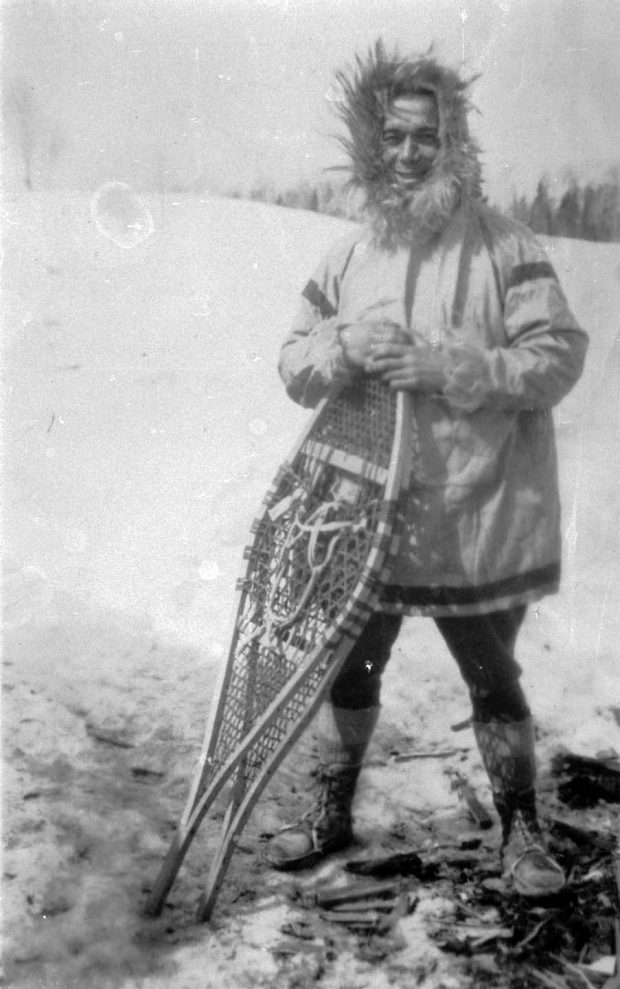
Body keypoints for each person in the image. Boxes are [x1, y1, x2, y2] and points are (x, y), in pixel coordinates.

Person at [267, 41, 588, 897]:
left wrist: (452, 364)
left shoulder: (503, 246)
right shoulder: (346, 256)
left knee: (493, 675)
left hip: (476, 511)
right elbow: (292, 361)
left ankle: (522, 830)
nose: (410, 154)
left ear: (454, 142)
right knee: (351, 664)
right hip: (370, 513)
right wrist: (340, 346)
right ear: (373, 147)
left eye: (426, 137)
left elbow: (558, 356)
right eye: (395, 139)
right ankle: (332, 807)